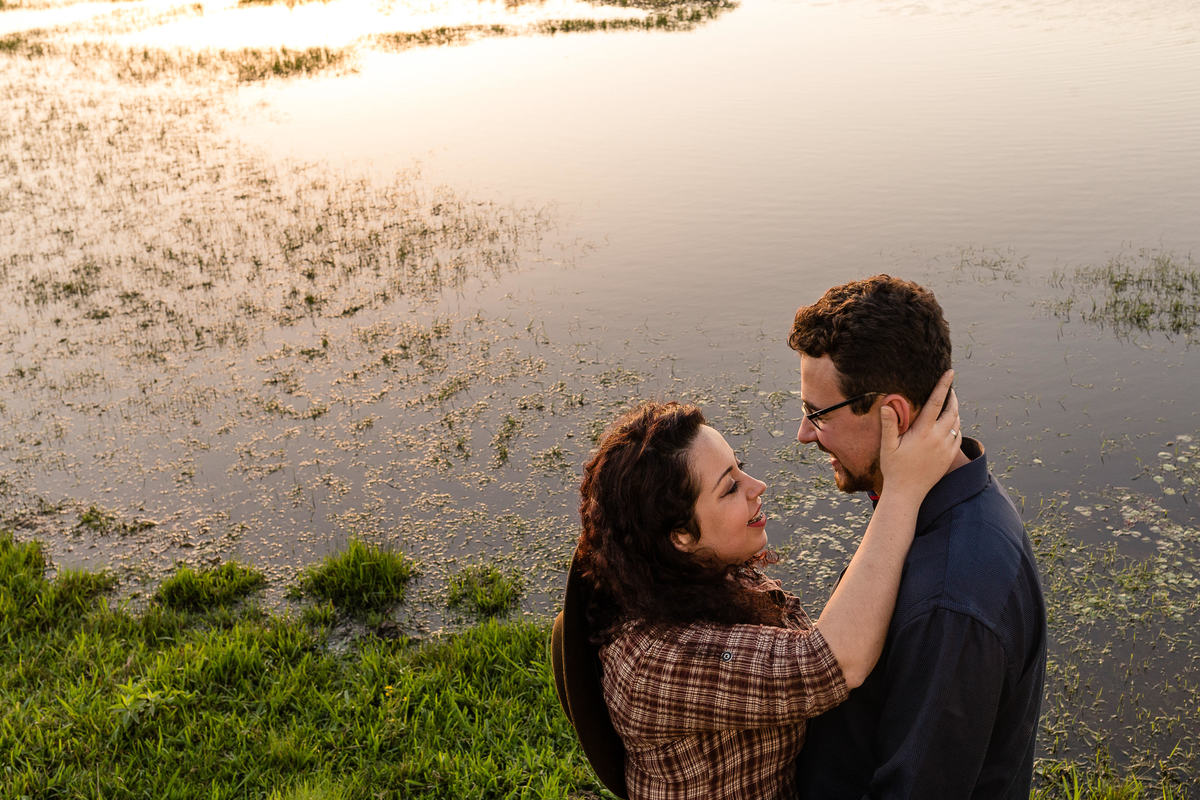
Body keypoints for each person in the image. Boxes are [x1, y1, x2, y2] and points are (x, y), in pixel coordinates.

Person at [552, 369, 960, 800]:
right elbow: (831, 664)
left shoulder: (696, 575)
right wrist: (902, 489)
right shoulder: (656, 660)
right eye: (730, 488)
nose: (757, 487)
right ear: (681, 536)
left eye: (740, 468)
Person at [788, 275, 1047, 799]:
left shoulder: (950, 602)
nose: (805, 434)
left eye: (818, 414)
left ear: (894, 415)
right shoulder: (948, 498)